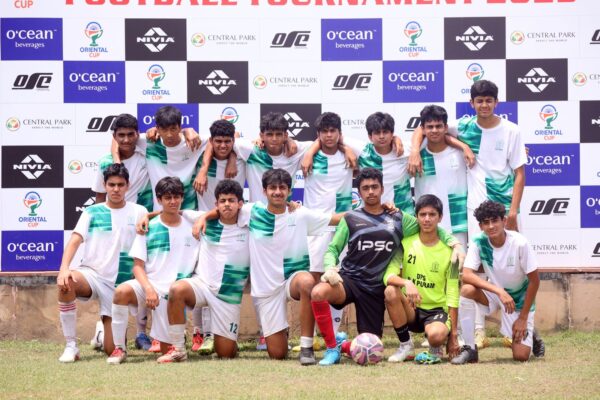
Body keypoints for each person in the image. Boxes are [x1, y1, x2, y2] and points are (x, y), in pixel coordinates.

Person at [409, 80, 527, 348]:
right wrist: (460, 146)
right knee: (473, 269)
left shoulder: (512, 130)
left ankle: (517, 325)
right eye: (479, 100)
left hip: (504, 209)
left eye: (489, 100)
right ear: (471, 103)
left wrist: (513, 211)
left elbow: (520, 173)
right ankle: (476, 331)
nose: (484, 105)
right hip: (475, 210)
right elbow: (425, 129)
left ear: (496, 102)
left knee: (512, 267)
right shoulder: (464, 126)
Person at [311, 168, 464, 366]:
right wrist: (330, 268)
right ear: (359, 192)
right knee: (318, 292)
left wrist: (454, 243)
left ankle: (344, 345)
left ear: (382, 189)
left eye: (375, 187)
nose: (371, 192)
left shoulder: (398, 218)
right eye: (365, 188)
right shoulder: (350, 218)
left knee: (371, 345)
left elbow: (429, 226)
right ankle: (332, 349)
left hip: (375, 289)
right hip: (350, 280)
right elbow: (333, 249)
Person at [194, 169, 345, 365]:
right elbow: (224, 208)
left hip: (292, 279)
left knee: (307, 281)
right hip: (266, 291)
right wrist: (203, 218)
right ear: (264, 191)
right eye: (273, 188)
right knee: (277, 354)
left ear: (289, 191)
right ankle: (280, 333)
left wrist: (371, 210)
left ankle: (306, 347)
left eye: (282, 188)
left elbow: (336, 218)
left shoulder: (300, 214)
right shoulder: (252, 211)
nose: (278, 192)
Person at [56, 163, 147, 362]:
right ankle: (71, 346)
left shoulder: (139, 211)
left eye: (120, 185)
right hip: (92, 275)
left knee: (112, 350)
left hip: (119, 285)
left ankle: (101, 334)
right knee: (67, 282)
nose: (116, 189)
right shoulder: (92, 211)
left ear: (128, 185)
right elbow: (75, 240)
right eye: (111, 184)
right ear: (104, 185)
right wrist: (64, 269)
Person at [107, 177, 199, 364]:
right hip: (150, 285)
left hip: (176, 291)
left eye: (176, 197)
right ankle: (120, 349)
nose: (173, 201)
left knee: (166, 351)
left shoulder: (193, 225)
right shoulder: (148, 227)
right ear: (159, 199)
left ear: (182, 198)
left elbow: (219, 213)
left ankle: (178, 341)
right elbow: (137, 266)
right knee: (121, 292)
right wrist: (148, 289)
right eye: (167, 198)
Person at [157, 180, 249, 362]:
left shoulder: (249, 223)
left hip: (228, 295)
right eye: (222, 201)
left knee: (226, 354)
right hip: (202, 284)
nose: (227, 204)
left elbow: (274, 209)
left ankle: (229, 342)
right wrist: (147, 216)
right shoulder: (203, 219)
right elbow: (172, 212)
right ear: (216, 204)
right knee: (176, 289)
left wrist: (291, 205)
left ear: (240, 204)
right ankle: (178, 349)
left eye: (231, 200)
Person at [452, 200, 545, 364]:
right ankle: (469, 349)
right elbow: (466, 275)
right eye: (486, 222)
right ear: (480, 226)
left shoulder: (520, 243)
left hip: (519, 300)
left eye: (495, 220)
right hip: (495, 293)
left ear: (504, 221)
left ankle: (531, 334)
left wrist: (523, 318)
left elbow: (534, 281)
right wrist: (499, 291)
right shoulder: (478, 241)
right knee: (467, 290)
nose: (491, 226)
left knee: (521, 356)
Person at [91, 113, 153, 351]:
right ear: (114, 137)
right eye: (121, 136)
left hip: (141, 224)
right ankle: (104, 329)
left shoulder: (146, 152)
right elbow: (99, 198)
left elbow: (174, 136)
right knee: (109, 278)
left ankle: (141, 333)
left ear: (137, 134)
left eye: (130, 134)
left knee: (142, 275)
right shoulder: (105, 162)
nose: (126, 139)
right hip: (114, 229)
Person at [296, 112, 353, 351]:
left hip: (342, 225)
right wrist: (311, 150)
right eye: (324, 132)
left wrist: (346, 148)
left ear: (340, 133)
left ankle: (335, 334)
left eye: (333, 131)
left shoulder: (352, 151)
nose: (329, 135)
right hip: (316, 226)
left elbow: (390, 144)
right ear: (318, 134)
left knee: (336, 277)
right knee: (314, 277)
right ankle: (314, 334)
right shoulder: (305, 151)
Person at [384, 194, 460, 364]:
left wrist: (454, 335)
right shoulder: (405, 243)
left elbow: (453, 293)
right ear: (416, 217)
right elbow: (388, 276)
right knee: (390, 291)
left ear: (440, 217)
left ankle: (436, 346)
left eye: (432, 214)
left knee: (436, 336)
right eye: (422, 214)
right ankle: (405, 345)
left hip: (436, 311)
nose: (427, 219)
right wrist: (406, 282)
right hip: (410, 308)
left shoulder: (451, 252)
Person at [413, 105, 468, 249]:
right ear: (423, 129)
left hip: (457, 225)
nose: (434, 130)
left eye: (438, 126)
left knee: (458, 263)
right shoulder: (415, 157)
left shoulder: (462, 154)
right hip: (427, 225)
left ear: (446, 128)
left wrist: (464, 147)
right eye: (430, 127)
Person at [341, 112, 411, 214]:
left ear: (392, 134)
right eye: (377, 133)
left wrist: (415, 151)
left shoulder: (405, 149)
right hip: (372, 217)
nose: (381, 136)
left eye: (385, 132)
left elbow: (424, 131)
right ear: (370, 136)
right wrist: (346, 149)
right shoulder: (363, 151)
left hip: (403, 214)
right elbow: (333, 137)